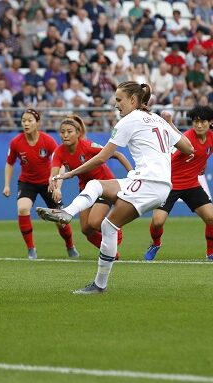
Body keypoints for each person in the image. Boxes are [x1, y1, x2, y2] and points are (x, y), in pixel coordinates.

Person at [36, 81, 193, 294]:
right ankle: (66, 212)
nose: (116, 104)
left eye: (119, 100)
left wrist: (71, 173)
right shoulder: (156, 119)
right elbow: (188, 148)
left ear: (133, 100)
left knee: (109, 227)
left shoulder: (129, 120)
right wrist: (169, 124)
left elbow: (102, 158)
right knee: (95, 185)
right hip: (155, 182)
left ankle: (100, 285)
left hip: (149, 182)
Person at [51, 115, 133, 259]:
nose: (65, 135)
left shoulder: (88, 146)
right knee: (86, 230)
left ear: (78, 133)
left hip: (104, 186)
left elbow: (118, 155)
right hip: (86, 188)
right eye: (62, 132)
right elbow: (55, 172)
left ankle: (115, 227)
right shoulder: (59, 151)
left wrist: (132, 174)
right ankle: (112, 253)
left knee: (94, 223)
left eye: (69, 131)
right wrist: (56, 187)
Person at [3, 108, 79, 260]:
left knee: (59, 218)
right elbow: (9, 163)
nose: (26, 123)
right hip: (27, 182)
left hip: (48, 182)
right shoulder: (16, 142)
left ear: (37, 123)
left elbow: (61, 163)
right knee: (23, 208)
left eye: (29, 120)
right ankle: (31, 249)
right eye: (23, 120)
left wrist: (57, 185)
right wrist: (7, 185)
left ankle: (70, 246)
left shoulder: (48, 141)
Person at [144, 106, 213, 262]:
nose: (199, 125)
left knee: (211, 218)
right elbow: (168, 156)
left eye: (203, 122)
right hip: (170, 186)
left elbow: (205, 153)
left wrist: (203, 165)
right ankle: (155, 244)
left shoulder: (211, 137)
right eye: (196, 122)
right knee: (157, 222)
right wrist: (169, 123)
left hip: (192, 186)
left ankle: (210, 252)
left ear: (210, 122)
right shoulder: (186, 139)